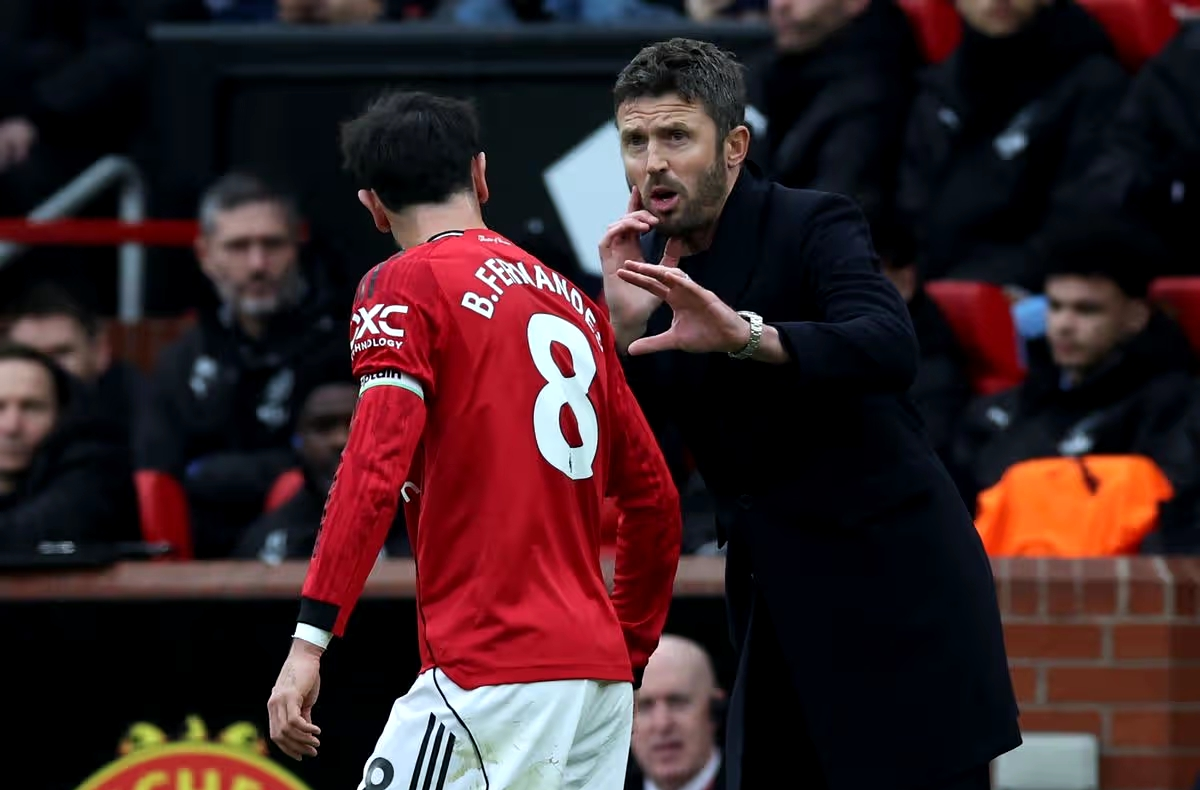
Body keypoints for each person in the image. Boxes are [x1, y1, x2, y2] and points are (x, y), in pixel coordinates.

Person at [602, 38, 1020, 790]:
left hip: (894, 588)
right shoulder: (642, 268)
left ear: (733, 146)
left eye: (676, 136)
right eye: (636, 141)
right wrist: (626, 336)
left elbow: (889, 344)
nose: (653, 162)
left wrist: (748, 336)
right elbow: (647, 452)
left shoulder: (814, 222)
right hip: (778, 600)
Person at [266, 90, 683, 790]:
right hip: (597, 683)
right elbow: (655, 500)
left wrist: (309, 642)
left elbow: (373, 467)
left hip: (491, 670)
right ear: (481, 174)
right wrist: (626, 653)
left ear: (373, 205)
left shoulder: (403, 282)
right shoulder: (575, 303)